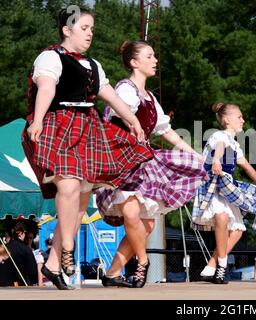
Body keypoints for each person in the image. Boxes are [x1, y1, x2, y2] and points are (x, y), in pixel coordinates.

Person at [22, 7, 153, 290]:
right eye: (84, 28)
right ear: (67, 30)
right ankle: (67, 246)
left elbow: (108, 94)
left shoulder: (93, 64)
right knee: (68, 187)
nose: (90, 33)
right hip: (59, 124)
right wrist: (39, 119)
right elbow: (46, 88)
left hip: (88, 127)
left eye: (91, 28)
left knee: (81, 198)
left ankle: (54, 263)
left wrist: (132, 120)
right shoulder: (51, 57)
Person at [93, 40, 207, 288]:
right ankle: (143, 261)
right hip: (120, 159)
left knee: (147, 222)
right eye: (149, 55)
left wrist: (194, 154)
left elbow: (167, 132)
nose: (155, 60)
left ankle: (112, 274)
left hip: (142, 161)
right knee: (132, 211)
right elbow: (115, 117)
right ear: (134, 62)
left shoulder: (150, 97)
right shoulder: (124, 90)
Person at [192, 102, 256, 284]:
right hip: (214, 187)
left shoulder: (234, 143)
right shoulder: (219, 135)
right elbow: (219, 146)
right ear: (227, 120)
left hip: (228, 188)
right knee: (222, 218)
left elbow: (246, 166)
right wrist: (217, 160)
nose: (243, 120)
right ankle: (222, 268)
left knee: (237, 231)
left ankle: (211, 267)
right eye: (239, 117)